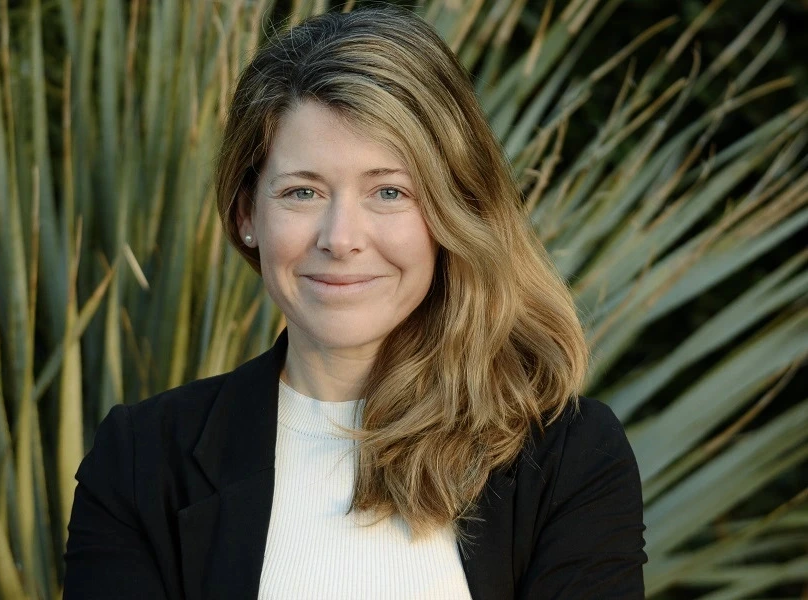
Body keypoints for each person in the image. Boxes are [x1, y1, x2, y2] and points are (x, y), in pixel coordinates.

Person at [63, 5, 647, 599]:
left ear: (454, 211)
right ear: (246, 215)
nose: (340, 238)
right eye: (303, 191)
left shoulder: (567, 460)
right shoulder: (142, 461)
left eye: (389, 191)